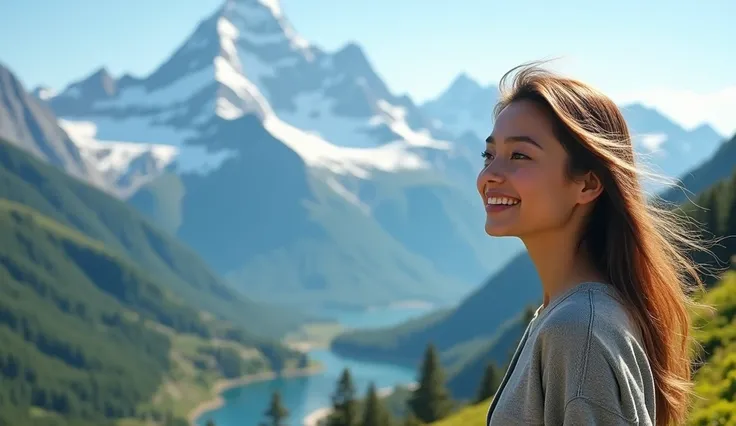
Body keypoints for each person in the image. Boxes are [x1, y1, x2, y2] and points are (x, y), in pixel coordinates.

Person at [478, 63, 707, 426]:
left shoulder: (578, 330)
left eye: (519, 155)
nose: (490, 174)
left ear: (587, 184)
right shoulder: (571, 315)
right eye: (489, 155)